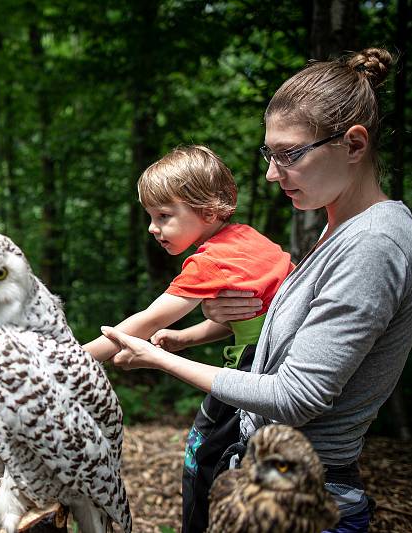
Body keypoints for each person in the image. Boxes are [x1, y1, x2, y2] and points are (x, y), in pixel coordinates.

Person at [102, 48, 412, 532]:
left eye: (290, 154)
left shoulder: (375, 243)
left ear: (354, 145)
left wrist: (159, 358)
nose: (273, 173)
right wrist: (228, 321)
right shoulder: (339, 231)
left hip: (305, 503)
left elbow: (296, 396)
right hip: (270, 482)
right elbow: (301, 341)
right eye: (269, 154)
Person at [83, 145, 294, 532]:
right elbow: (250, 317)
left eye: (164, 216)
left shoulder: (210, 261)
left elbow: (145, 321)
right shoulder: (249, 243)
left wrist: (71, 361)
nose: (152, 227)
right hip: (278, 364)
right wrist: (185, 338)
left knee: (202, 464)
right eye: (150, 216)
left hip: (251, 373)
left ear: (209, 212)